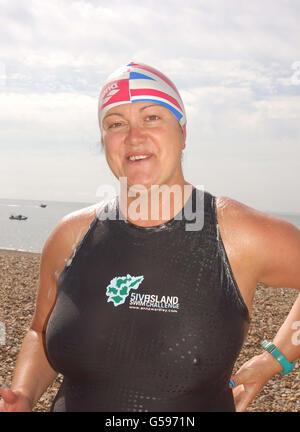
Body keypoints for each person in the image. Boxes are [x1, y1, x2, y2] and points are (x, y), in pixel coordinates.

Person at [1, 61, 300, 412]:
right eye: (116, 124)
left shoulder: (237, 233)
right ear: (104, 140)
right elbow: (39, 331)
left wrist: (274, 359)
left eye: (152, 117)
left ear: (183, 131)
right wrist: (23, 395)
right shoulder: (71, 235)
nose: (133, 136)